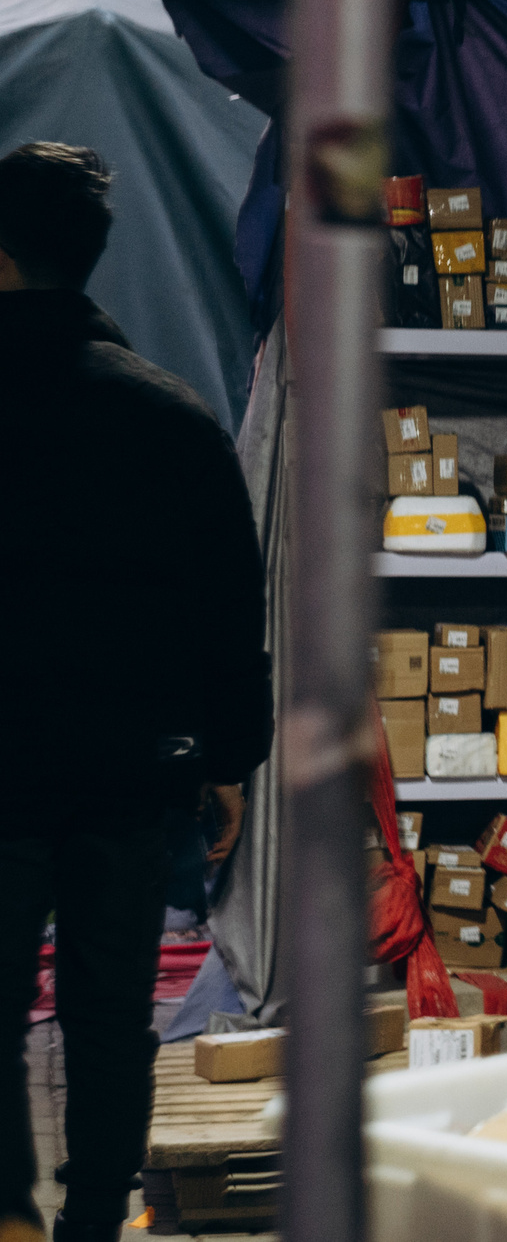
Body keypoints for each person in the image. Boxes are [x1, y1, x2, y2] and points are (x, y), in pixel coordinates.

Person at [0, 144, 270, 1242]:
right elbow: (227, 604)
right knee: (113, 1017)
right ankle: (95, 1223)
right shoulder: (169, 416)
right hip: (126, 774)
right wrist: (228, 761)